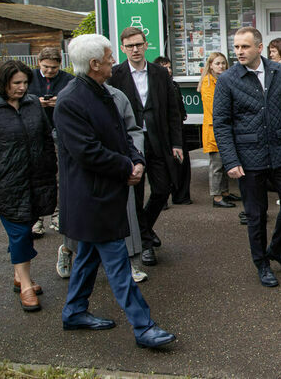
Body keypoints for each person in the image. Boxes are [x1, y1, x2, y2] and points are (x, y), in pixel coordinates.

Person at [54, 33, 175, 348]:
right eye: (109, 57)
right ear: (95, 64)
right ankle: (144, 327)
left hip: (104, 195)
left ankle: (74, 312)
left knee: (87, 258)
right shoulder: (71, 101)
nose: (113, 61)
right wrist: (126, 167)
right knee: (119, 266)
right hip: (90, 199)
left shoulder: (102, 93)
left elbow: (123, 134)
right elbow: (87, 152)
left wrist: (136, 160)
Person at [213, 26, 281, 287]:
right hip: (248, 158)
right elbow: (221, 123)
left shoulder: (279, 72)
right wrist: (231, 161)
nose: (239, 51)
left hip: (280, 152)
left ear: (259, 47)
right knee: (256, 215)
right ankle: (262, 263)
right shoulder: (228, 79)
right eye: (236, 47)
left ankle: (277, 249)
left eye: (244, 46)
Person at [0, 60, 57, 312]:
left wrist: (50, 167)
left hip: (37, 182)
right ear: (2, 82)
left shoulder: (33, 104)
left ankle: (19, 275)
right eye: (16, 83)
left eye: (25, 82)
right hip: (6, 184)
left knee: (25, 229)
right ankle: (26, 285)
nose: (22, 87)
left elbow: (45, 137)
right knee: (19, 232)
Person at [54, 82, 150, 284]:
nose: (111, 67)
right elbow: (79, 145)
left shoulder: (117, 96)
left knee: (123, 218)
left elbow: (132, 131)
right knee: (83, 227)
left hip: (119, 169)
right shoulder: (71, 97)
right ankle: (68, 250)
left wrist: (137, 159)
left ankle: (127, 263)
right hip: (89, 172)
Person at [109, 27, 183, 267]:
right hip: (130, 144)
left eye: (139, 44)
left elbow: (172, 110)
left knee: (163, 189)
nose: (135, 49)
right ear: (123, 48)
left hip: (158, 140)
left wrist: (176, 143)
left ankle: (145, 229)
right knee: (136, 194)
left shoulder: (160, 73)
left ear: (146, 45)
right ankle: (146, 244)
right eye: (130, 46)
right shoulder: (115, 75)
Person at [27, 47, 75, 237]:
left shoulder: (68, 80)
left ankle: (57, 214)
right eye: (46, 67)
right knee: (35, 174)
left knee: (59, 174)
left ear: (60, 65)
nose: (49, 71)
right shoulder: (29, 78)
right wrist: (35, 102)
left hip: (58, 130)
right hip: (35, 131)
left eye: (54, 68)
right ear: (39, 63)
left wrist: (59, 101)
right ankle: (36, 218)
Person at [197, 52, 241, 212]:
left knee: (223, 163)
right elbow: (214, 108)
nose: (221, 66)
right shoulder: (208, 82)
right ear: (210, 66)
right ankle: (217, 196)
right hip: (214, 129)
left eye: (223, 63)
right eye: (217, 63)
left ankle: (224, 192)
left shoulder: (221, 80)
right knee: (216, 165)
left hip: (222, 127)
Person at [154, 56, 193, 206]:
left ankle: (181, 195)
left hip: (178, 128)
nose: (169, 71)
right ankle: (162, 198)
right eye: (165, 68)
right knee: (164, 165)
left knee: (182, 163)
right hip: (163, 131)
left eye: (170, 67)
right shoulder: (156, 87)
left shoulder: (174, 85)